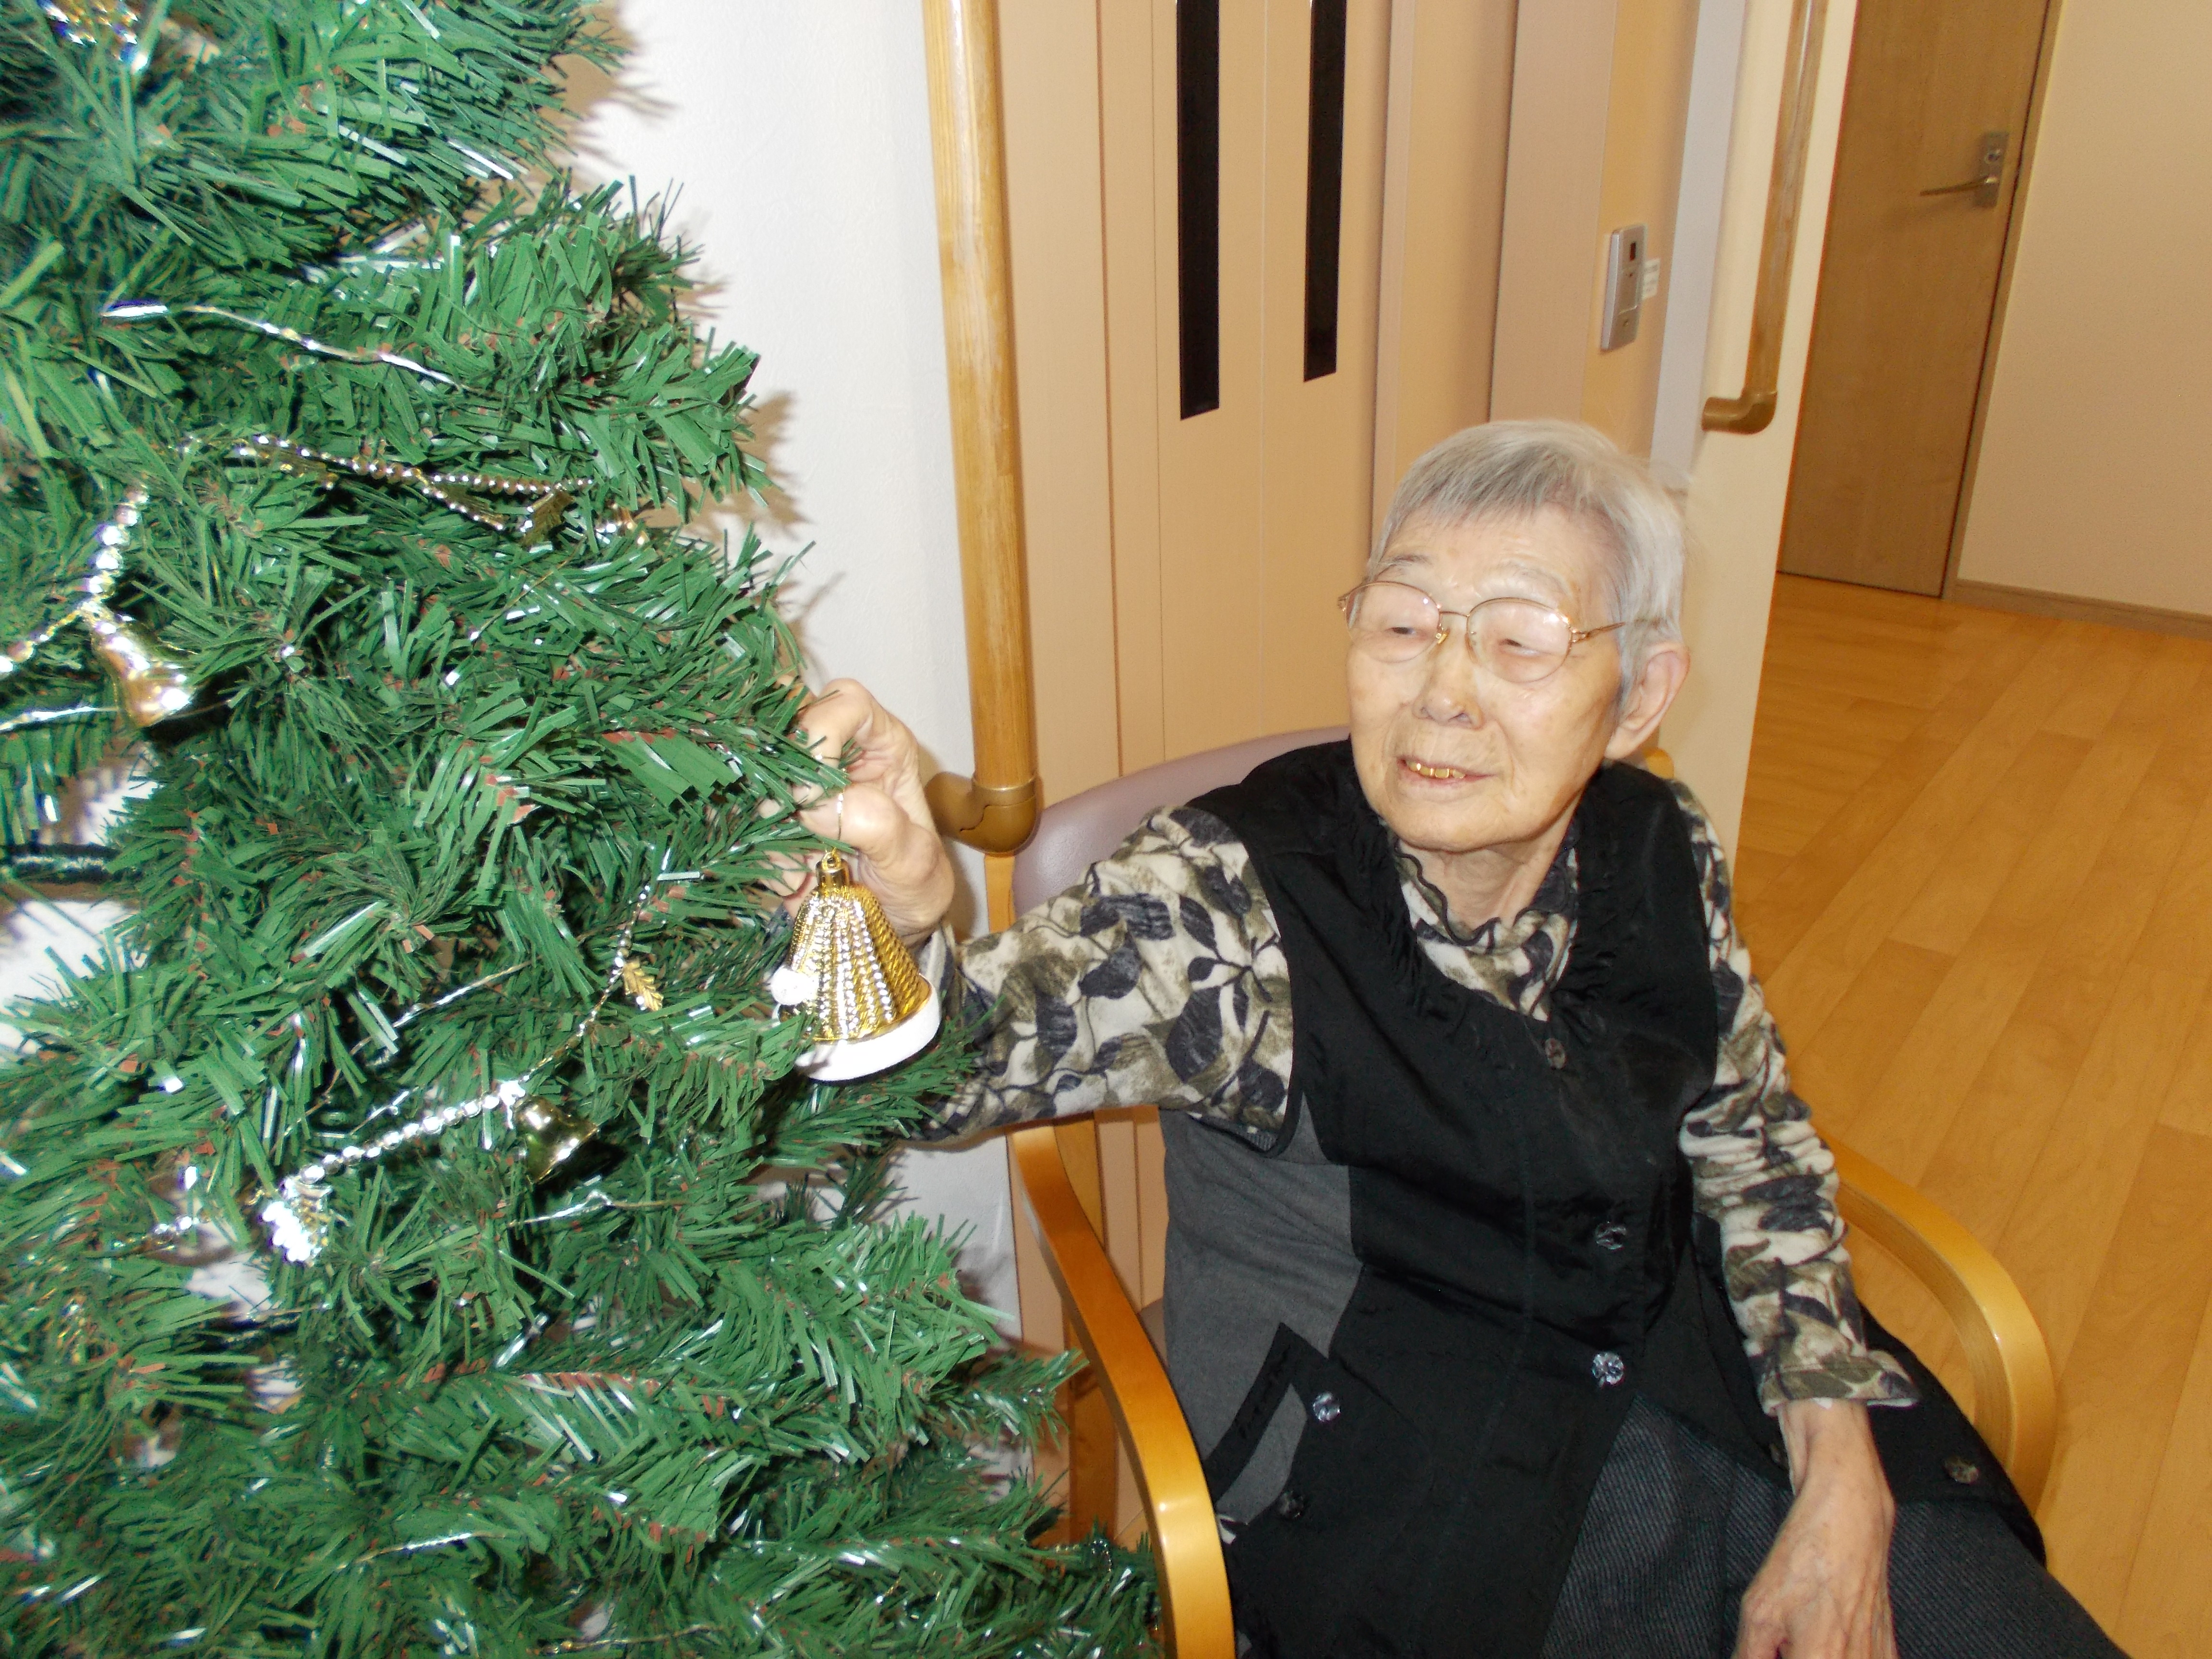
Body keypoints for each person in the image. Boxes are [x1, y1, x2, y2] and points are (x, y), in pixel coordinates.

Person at [785, 421, 2121, 1659]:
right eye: (1403, 622)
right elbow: (939, 1073)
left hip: (1715, 1384)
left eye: (1521, 639)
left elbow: (1751, 1142)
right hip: (1407, 1479)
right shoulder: (1230, 904)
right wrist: (896, 923)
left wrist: (1840, 1467)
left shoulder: (1657, 841)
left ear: (1640, 696)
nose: (1443, 691)